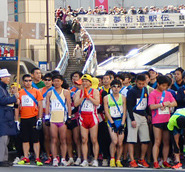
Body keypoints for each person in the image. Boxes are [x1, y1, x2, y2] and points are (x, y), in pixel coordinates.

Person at [149, 75, 177, 169]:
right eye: (163, 85)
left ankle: (165, 160)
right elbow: (151, 106)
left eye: (166, 86)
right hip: (157, 120)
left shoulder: (168, 94)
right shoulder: (153, 94)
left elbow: (175, 103)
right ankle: (156, 161)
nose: (164, 87)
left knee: (166, 142)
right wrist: (161, 104)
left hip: (167, 120)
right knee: (157, 141)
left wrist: (169, 104)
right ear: (158, 84)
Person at [45, 74, 72, 167]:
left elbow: (69, 104)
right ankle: (55, 158)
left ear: (61, 82)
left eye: (58, 81)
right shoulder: (50, 93)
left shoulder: (66, 92)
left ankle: (63, 158)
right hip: (53, 119)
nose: (56, 83)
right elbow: (48, 105)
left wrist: (69, 116)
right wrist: (47, 117)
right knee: (53, 139)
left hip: (62, 119)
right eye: (55, 81)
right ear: (52, 82)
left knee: (63, 139)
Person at [74, 74, 100, 167]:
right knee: (84, 139)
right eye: (83, 81)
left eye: (86, 81)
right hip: (83, 117)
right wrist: (83, 96)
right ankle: (84, 159)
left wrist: (88, 96)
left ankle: (95, 159)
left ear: (90, 82)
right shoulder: (78, 92)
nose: (84, 83)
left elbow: (97, 102)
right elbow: (76, 104)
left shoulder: (95, 91)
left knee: (94, 139)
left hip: (92, 116)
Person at [18, 74, 43, 166]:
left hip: (33, 117)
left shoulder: (36, 92)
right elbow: (17, 106)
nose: (28, 83)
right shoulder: (20, 92)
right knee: (25, 139)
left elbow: (40, 105)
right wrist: (17, 119)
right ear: (23, 82)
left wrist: (40, 118)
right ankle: (26, 157)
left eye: (29, 80)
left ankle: (37, 158)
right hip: (24, 118)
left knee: (35, 139)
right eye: (26, 81)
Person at [127, 74, 150, 168]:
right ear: (136, 82)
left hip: (143, 115)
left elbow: (146, 103)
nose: (141, 85)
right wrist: (132, 119)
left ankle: (142, 158)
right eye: (139, 83)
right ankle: (132, 159)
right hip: (134, 114)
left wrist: (148, 114)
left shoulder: (145, 89)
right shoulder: (132, 91)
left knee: (145, 139)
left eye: (143, 83)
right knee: (132, 139)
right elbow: (129, 106)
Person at [104, 79, 126, 167]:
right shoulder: (106, 98)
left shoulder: (123, 97)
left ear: (120, 88)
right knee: (114, 140)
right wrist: (112, 122)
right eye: (114, 86)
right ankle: (112, 158)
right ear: (111, 87)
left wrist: (122, 123)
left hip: (120, 120)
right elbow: (106, 111)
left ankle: (118, 159)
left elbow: (125, 111)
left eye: (118, 87)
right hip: (111, 120)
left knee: (120, 142)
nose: (116, 88)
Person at [0, 69, 18, 167]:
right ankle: (1, 158)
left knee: (6, 139)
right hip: (2, 116)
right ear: (1, 78)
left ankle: (4, 158)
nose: (8, 78)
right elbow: (2, 100)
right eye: (6, 77)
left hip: (5, 116)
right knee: (2, 138)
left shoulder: (4, 88)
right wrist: (14, 97)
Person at [66, 79, 82, 166]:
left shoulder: (75, 94)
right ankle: (70, 157)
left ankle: (79, 157)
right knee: (68, 140)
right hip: (66, 119)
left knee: (77, 139)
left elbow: (76, 106)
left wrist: (70, 113)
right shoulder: (63, 95)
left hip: (75, 118)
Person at [40, 73, 54, 164]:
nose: (47, 82)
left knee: (55, 136)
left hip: (55, 114)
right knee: (46, 136)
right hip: (44, 114)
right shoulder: (39, 90)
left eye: (49, 80)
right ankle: (48, 155)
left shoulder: (55, 90)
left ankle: (56, 154)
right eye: (45, 80)